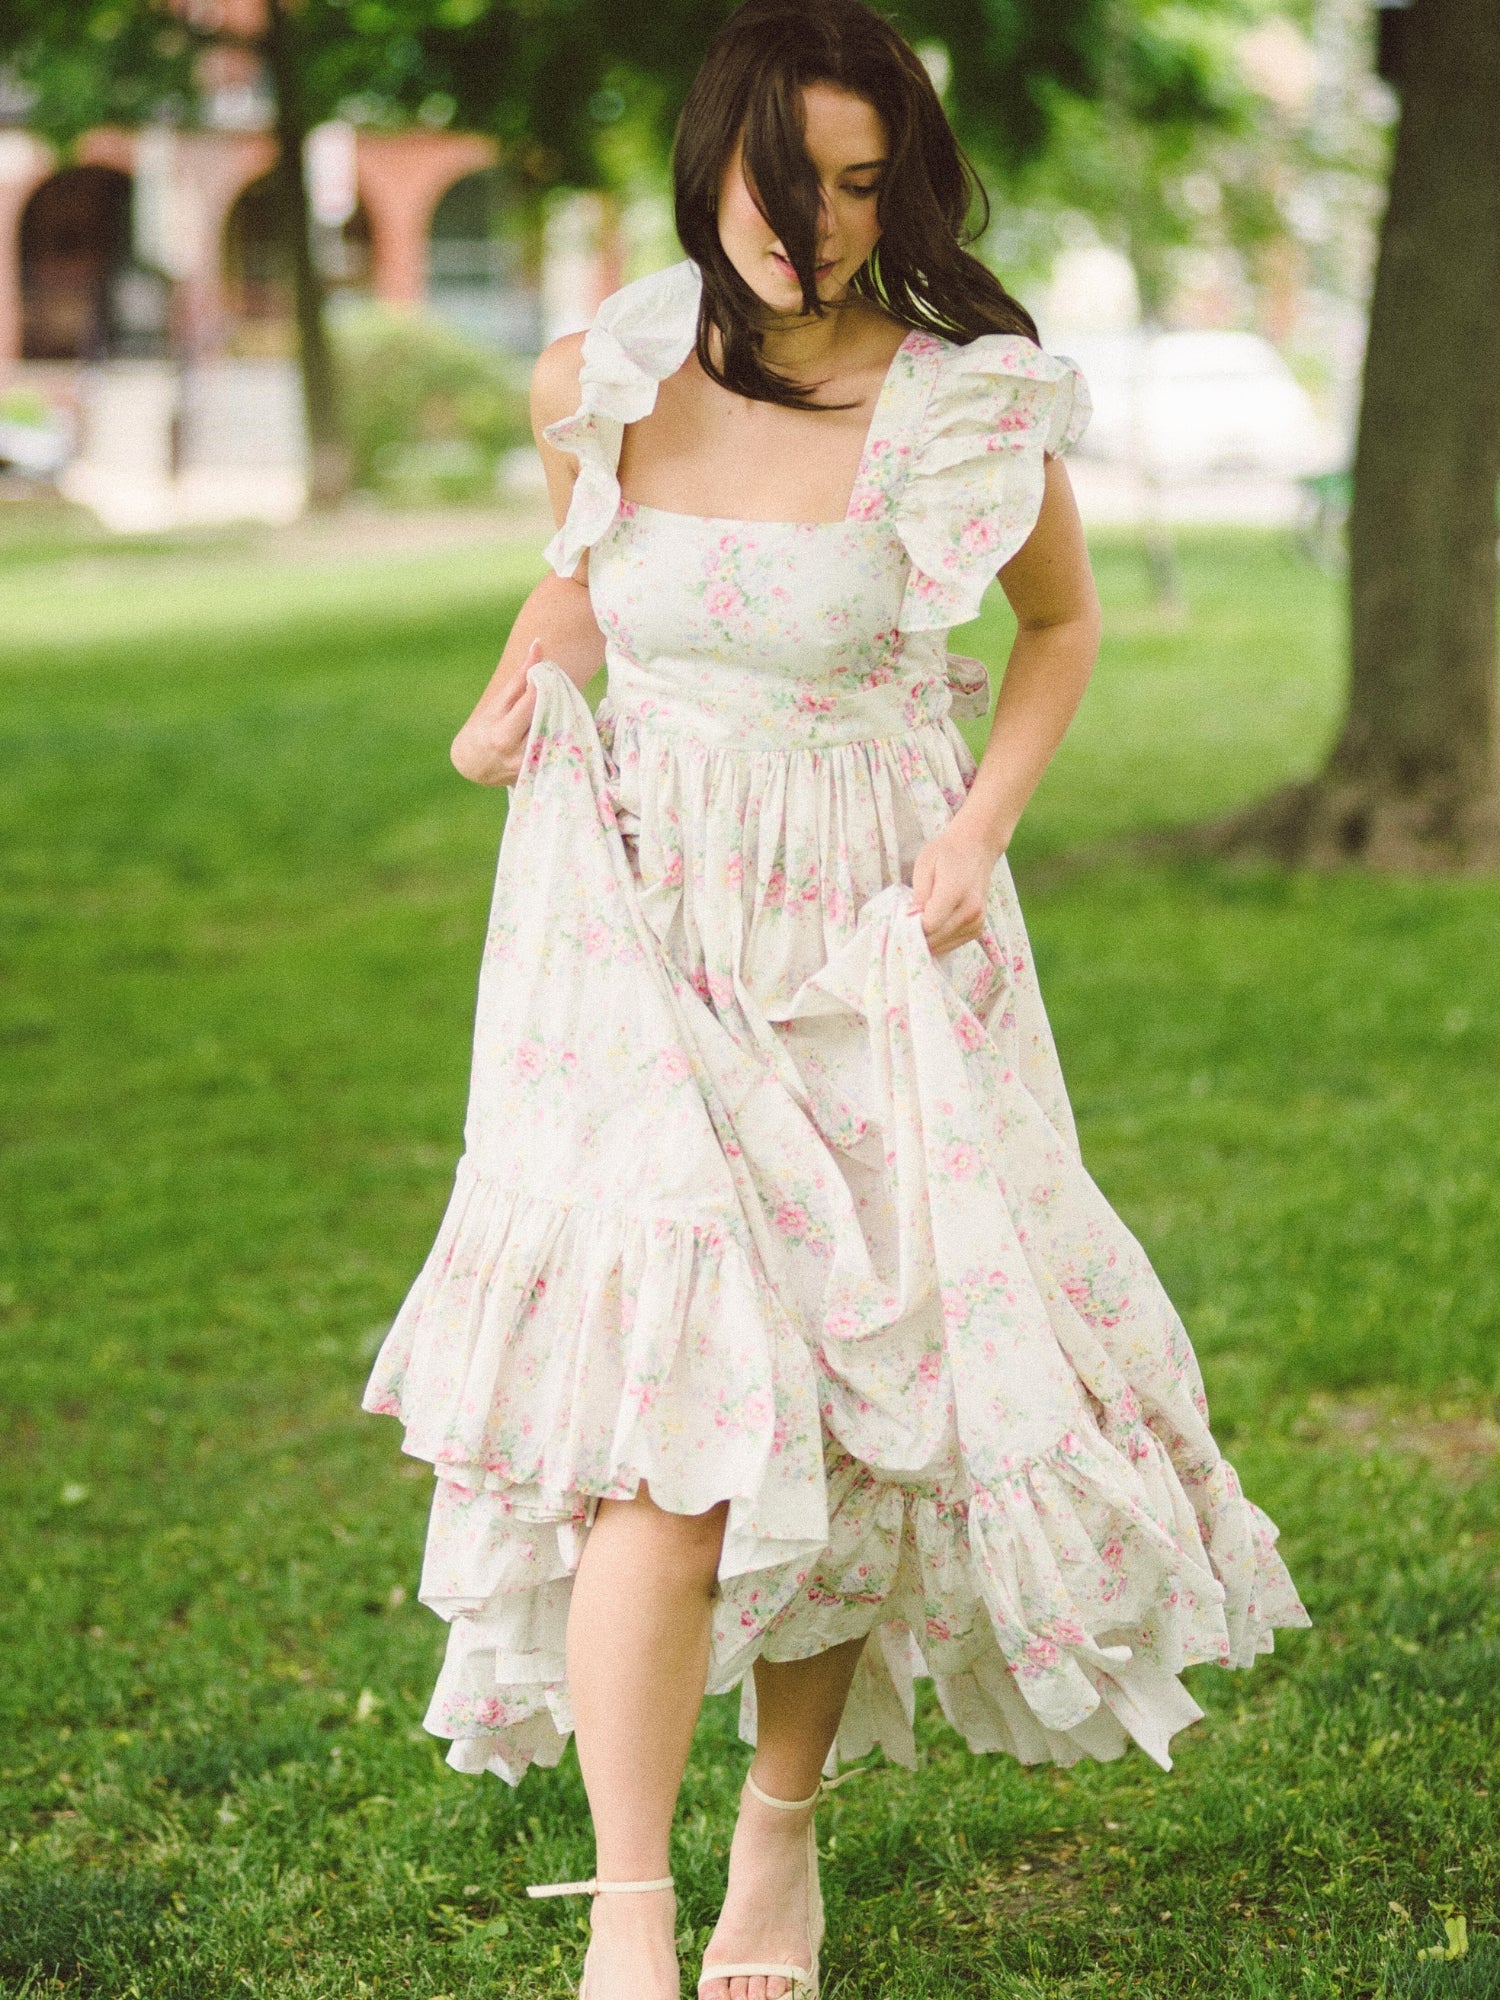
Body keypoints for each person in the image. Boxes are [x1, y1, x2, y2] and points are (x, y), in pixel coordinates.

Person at [363, 4, 1309, 1996]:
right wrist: (512, 686)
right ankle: (631, 1920)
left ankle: (772, 1843)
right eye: (779, 180)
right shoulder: (602, 372)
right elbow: (584, 574)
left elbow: (1056, 624)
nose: (814, 221)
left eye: (864, 183)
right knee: (668, 1426)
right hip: (633, 948)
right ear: (712, 170)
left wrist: (980, 826)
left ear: (912, 188)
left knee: (840, 1398)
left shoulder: (963, 407)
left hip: (866, 938)